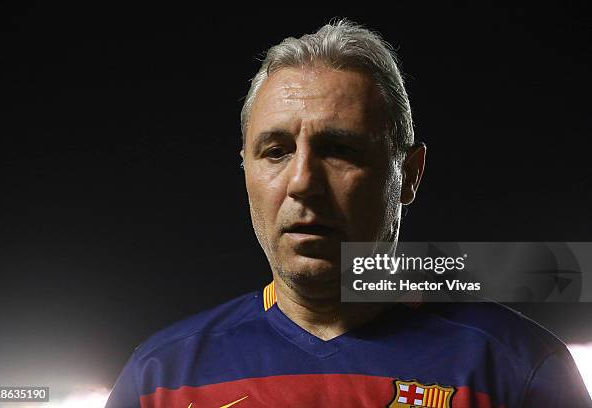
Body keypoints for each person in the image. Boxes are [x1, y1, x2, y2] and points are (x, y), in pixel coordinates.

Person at [105, 19, 591, 407]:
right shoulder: (158, 382)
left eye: (339, 150)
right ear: (244, 170)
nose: (302, 183)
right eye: (275, 151)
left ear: (410, 174)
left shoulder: (520, 370)